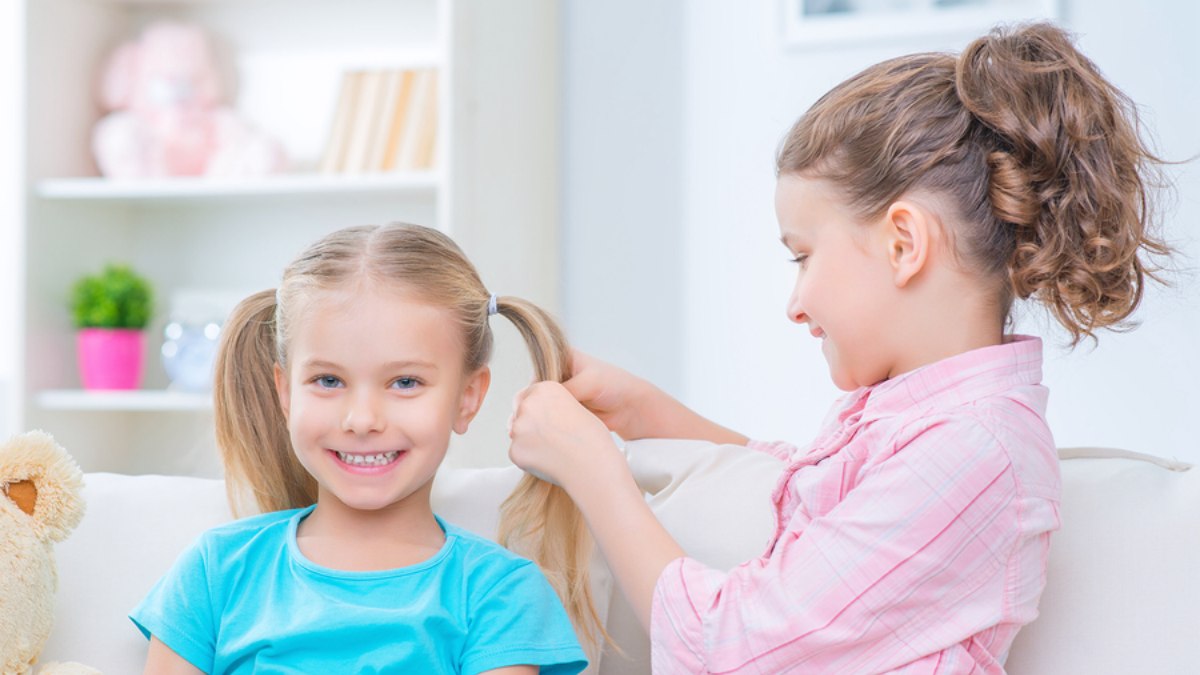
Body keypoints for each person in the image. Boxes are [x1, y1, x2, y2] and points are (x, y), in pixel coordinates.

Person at [507, 22, 1174, 673]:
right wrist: (651, 414)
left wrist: (592, 468)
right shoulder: (928, 427)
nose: (794, 303)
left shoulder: (976, 451)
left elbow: (733, 646)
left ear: (903, 245)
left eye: (803, 256)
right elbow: (811, 496)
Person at [131, 223, 590, 674]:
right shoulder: (216, 572)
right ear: (285, 393)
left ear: (467, 397)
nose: (362, 420)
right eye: (328, 380)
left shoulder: (498, 594)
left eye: (405, 382)